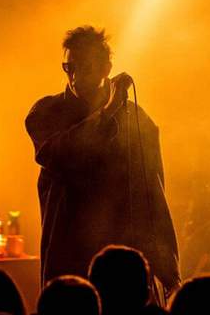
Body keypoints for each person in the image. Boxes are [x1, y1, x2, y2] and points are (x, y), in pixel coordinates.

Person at [25, 26, 180, 292]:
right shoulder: (47, 112)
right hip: (69, 258)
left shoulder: (136, 119)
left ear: (106, 68)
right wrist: (106, 114)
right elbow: (62, 153)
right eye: (69, 67)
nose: (74, 76)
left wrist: (167, 265)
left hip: (125, 259)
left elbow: (152, 192)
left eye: (85, 67)